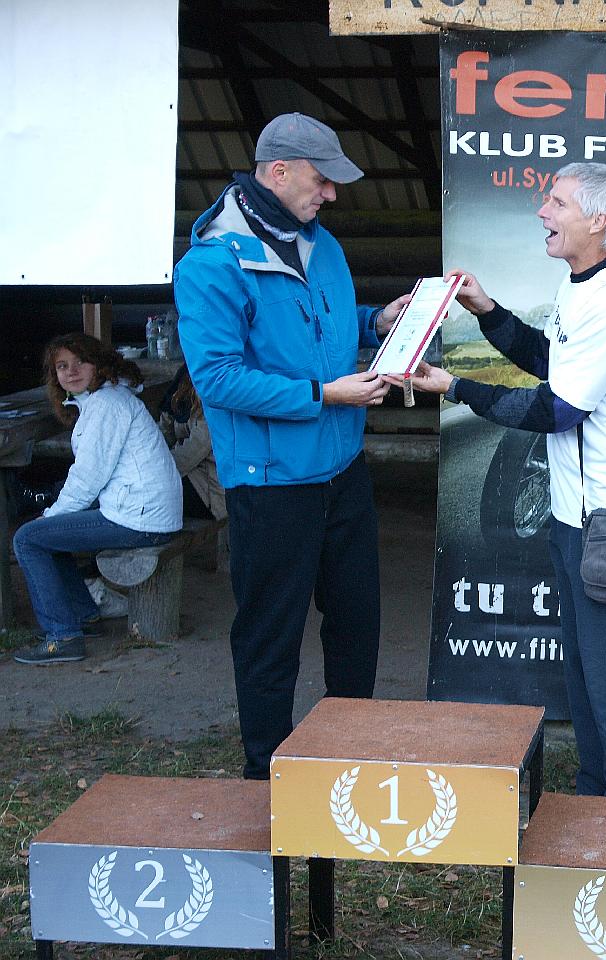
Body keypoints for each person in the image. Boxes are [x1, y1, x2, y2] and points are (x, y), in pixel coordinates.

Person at [399, 162, 606, 798]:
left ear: (597, 222)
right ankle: (596, 796)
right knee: (588, 676)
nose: (543, 211)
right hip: (577, 518)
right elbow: (551, 361)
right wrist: (487, 310)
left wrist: (456, 387)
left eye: (557, 202)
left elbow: (557, 408)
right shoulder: (582, 286)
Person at [173, 112, 412, 780]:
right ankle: (267, 777)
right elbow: (218, 379)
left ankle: (348, 761)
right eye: (321, 180)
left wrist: (376, 321)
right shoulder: (212, 265)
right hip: (272, 482)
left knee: (357, 620)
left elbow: (323, 328)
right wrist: (324, 395)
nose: (331, 194)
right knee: (270, 636)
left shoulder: (320, 244)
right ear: (277, 172)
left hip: (343, 469)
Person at [12, 334, 183, 665]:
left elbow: (87, 479)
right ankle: (83, 616)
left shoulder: (107, 404)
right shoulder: (105, 398)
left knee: (28, 539)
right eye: (62, 366)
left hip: (141, 518)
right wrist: (54, 516)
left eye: (81, 362)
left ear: (99, 365)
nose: (72, 371)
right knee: (49, 532)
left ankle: (62, 636)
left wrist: (51, 516)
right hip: (145, 510)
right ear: (55, 375)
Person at [158, 363, 226, 522]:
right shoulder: (183, 381)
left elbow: (192, 452)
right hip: (189, 475)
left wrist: (156, 468)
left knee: (154, 494)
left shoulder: (212, 387)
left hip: (209, 491)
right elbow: (165, 431)